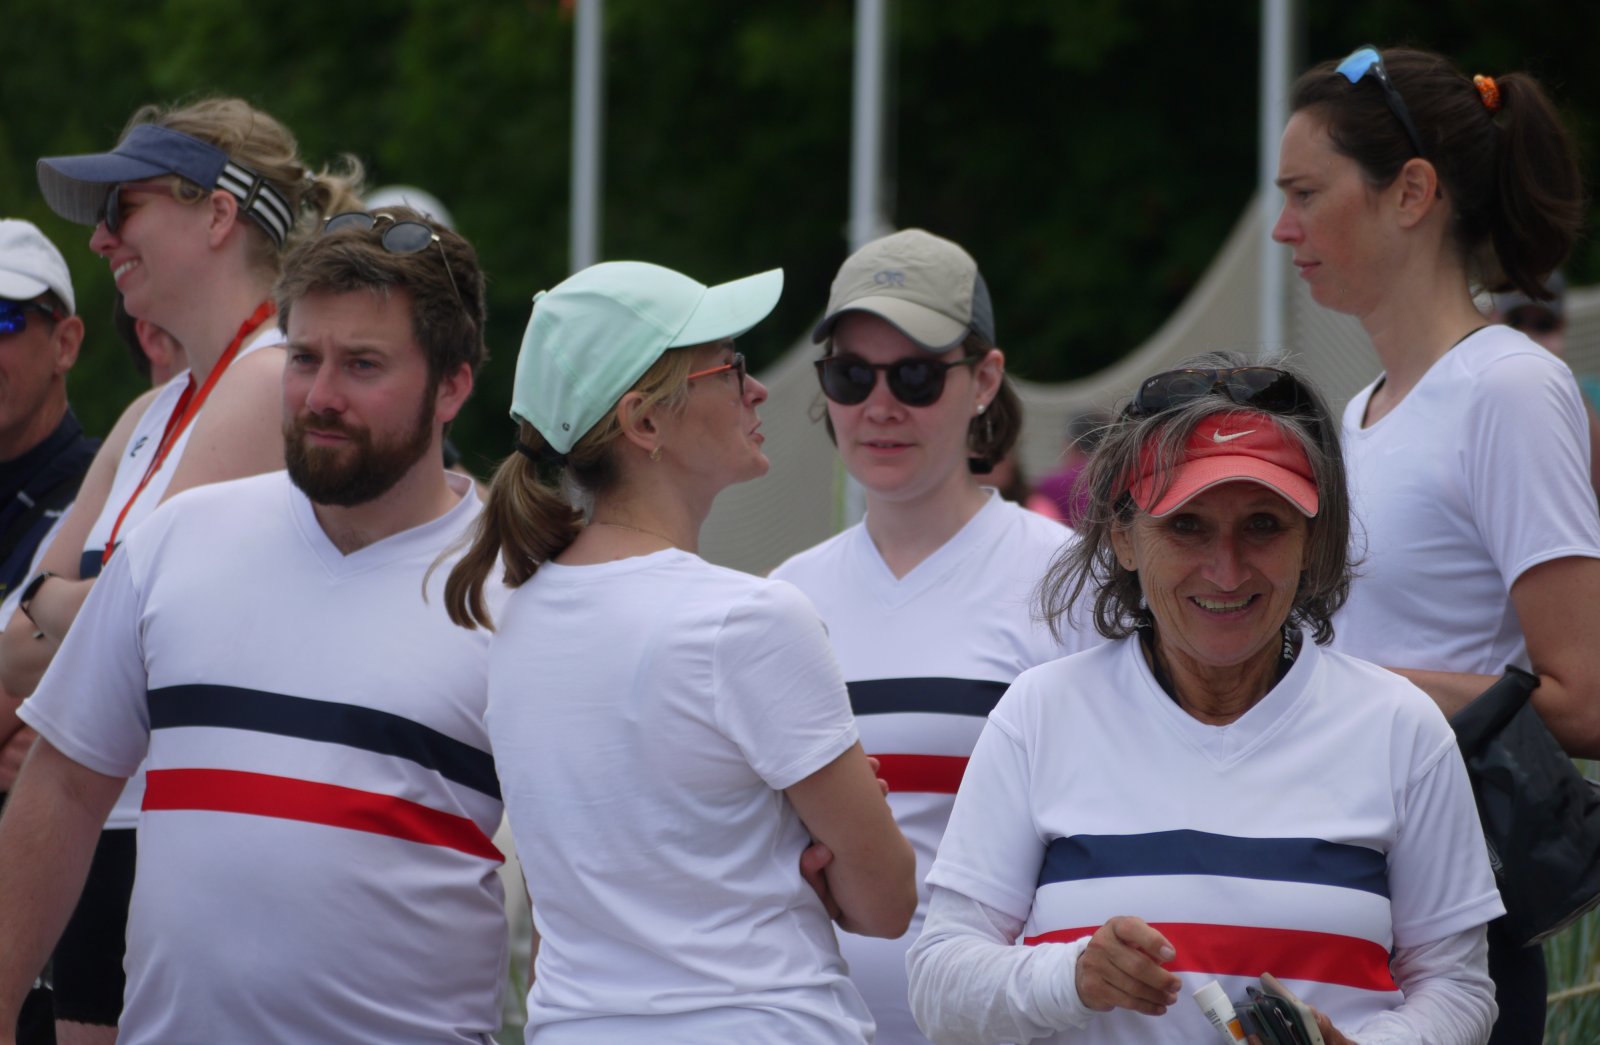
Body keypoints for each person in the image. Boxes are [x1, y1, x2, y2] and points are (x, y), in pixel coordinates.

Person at [0, 205, 507, 1043]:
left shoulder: (514, 591)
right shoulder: (178, 538)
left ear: (453, 385)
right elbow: (63, 786)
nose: (321, 396)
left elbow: (586, 883)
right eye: (303, 357)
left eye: (363, 364)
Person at [906, 357, 1504, 1044]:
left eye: (1263, 524)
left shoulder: (1401, 727)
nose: (1226, 569)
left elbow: (1458, 987)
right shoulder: (1039, 714)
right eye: (1186, 525)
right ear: (1124, 537)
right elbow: (938, 986)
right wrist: (1072, 976)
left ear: (1311, 541)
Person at [445, 259, 916, 1042]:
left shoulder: (516, 618)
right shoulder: (747, 620)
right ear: (644, 422)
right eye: (729, 367)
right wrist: (821, 842)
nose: (756, 389)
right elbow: (889, 901)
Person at [0, 97, 364, 1044]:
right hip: (114, 831)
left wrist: (56, 610)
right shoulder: (156, 410)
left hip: (179, 842)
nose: (100, 240)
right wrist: (69, 613)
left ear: (217, 214)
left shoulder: (268, 378)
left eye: (123, 207)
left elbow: (112, 622)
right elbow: (22, 641)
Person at [1272, 45, 1600, 1043]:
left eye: (1305, 193)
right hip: (1352, 894)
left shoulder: (1507, 387)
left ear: (1411, 192)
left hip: (1449, 919)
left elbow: (1584, 696)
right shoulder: (1366, 407)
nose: (1283, 228)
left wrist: (1335, 686)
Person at [771, 228, 1094, 1043]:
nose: (880, 406)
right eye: (851, 375)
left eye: (914, 375)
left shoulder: (1069, 580)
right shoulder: (782, 598)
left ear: (985, 379)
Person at [1490, 272, 1600, 497]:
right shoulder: (1476, 403)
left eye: (1543, 325)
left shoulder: (1590, 400)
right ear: (1494, 320)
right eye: (1516, 322)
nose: (1528, 337)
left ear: (1563, 326)